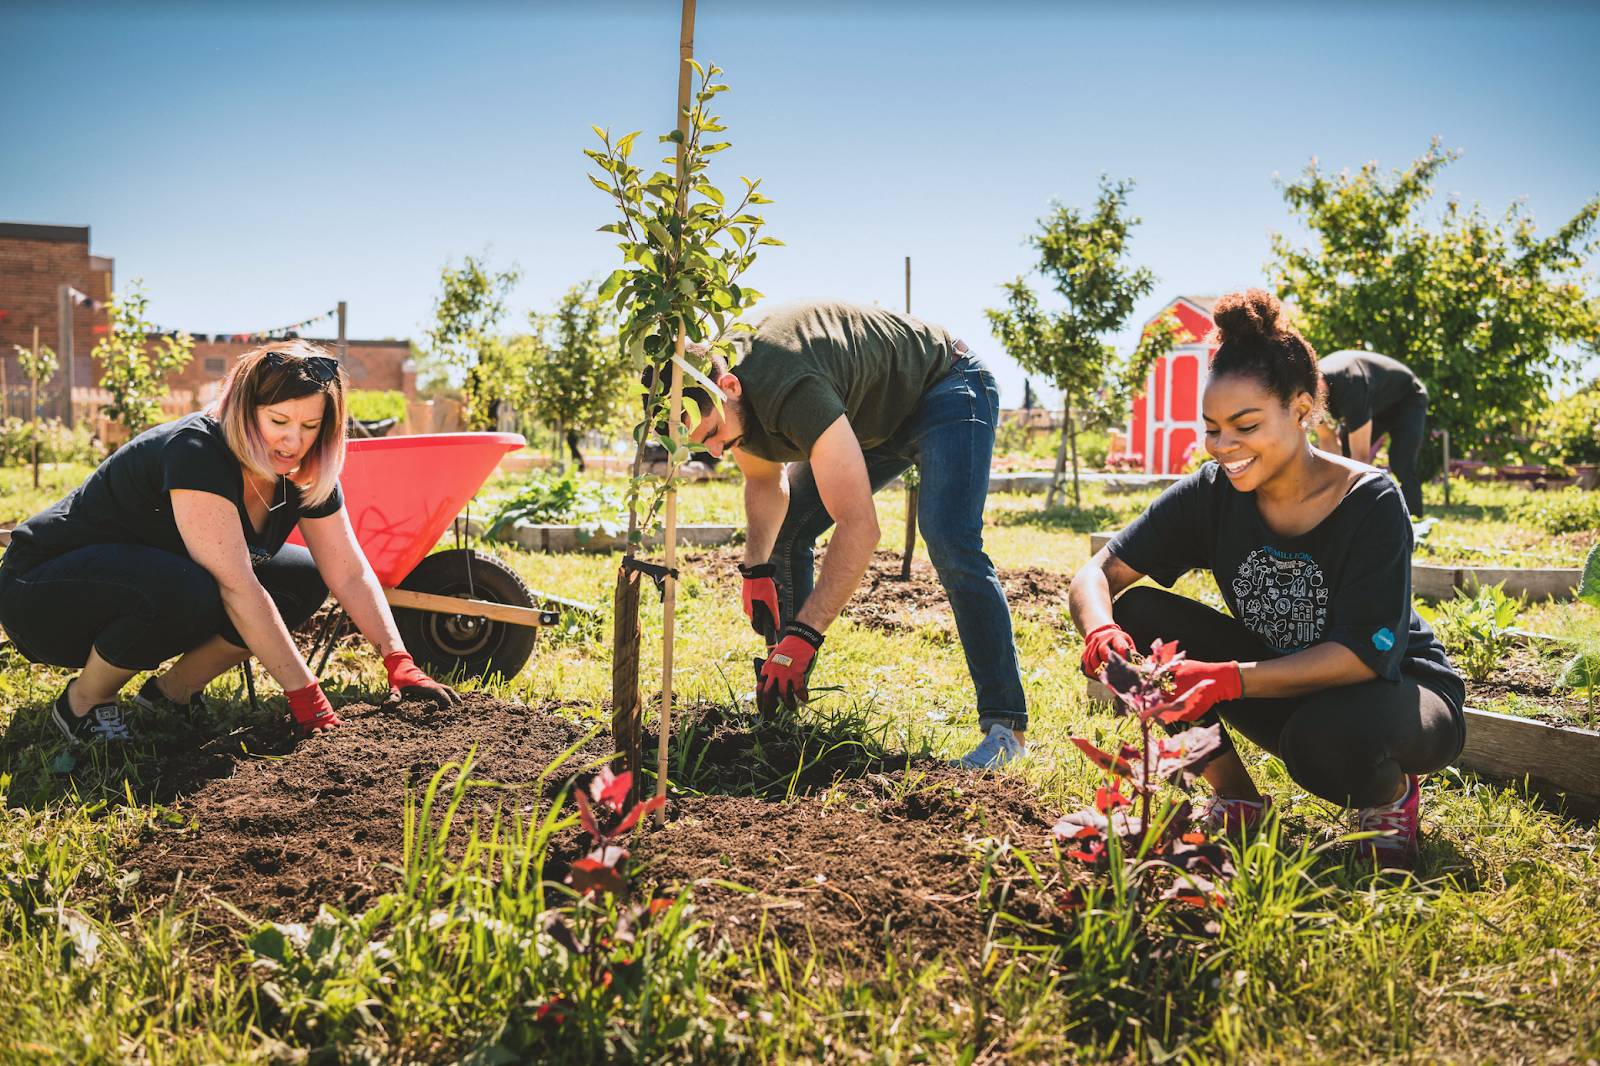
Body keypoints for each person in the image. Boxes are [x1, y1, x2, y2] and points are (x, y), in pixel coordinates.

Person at [1067, 290, 1465, 865]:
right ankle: (1238, 800)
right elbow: (1097, 572)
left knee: (1322, 744)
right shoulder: (1212, 493)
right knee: (1136, 617)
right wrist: (1101, 630)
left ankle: (1389, 797)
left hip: (1397, 690)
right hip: (1286, 684)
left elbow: (1361, 655)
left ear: (1302, 411)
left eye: (1245, 425)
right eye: (1212, 429)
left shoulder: (1370, 500)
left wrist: (1229, 678)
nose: (1224, 446)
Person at [0, 340, 461, 745]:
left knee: (300, 577)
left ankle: (170, 695)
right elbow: (238, 585)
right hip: (42, 592)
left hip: (140, 590)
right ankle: (83, 703)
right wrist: (307, 698)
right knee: (191, 587)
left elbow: (349, 571)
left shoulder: (305, 472)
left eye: (310, 425)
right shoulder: (197, 450)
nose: (292, 440)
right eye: (278, 420)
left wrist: (398, 659)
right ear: (246, 409)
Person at [677, 300, 1028, 769]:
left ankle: (1006, 729)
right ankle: (781, 702)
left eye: (714, 433)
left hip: (947, 384)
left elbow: (860, 527)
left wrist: (807, 631)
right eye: (703, 443)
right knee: (787, 533)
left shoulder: (790, 387)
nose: (716, 451)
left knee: (950, 538)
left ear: (730, 386)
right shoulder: (729, 403)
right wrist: (757, 567)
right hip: (871, 420)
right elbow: (765, 481)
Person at [1315, 349, 1429, 517]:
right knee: (1343, 457)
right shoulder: (1309, 399)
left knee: (1401, 462)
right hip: (1377, 405)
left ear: (1318, 382)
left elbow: (1360, 458)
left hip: (1408, 398)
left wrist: (1352, 507)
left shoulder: (1350, 385)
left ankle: (1414, 524)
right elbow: (1328, 441)